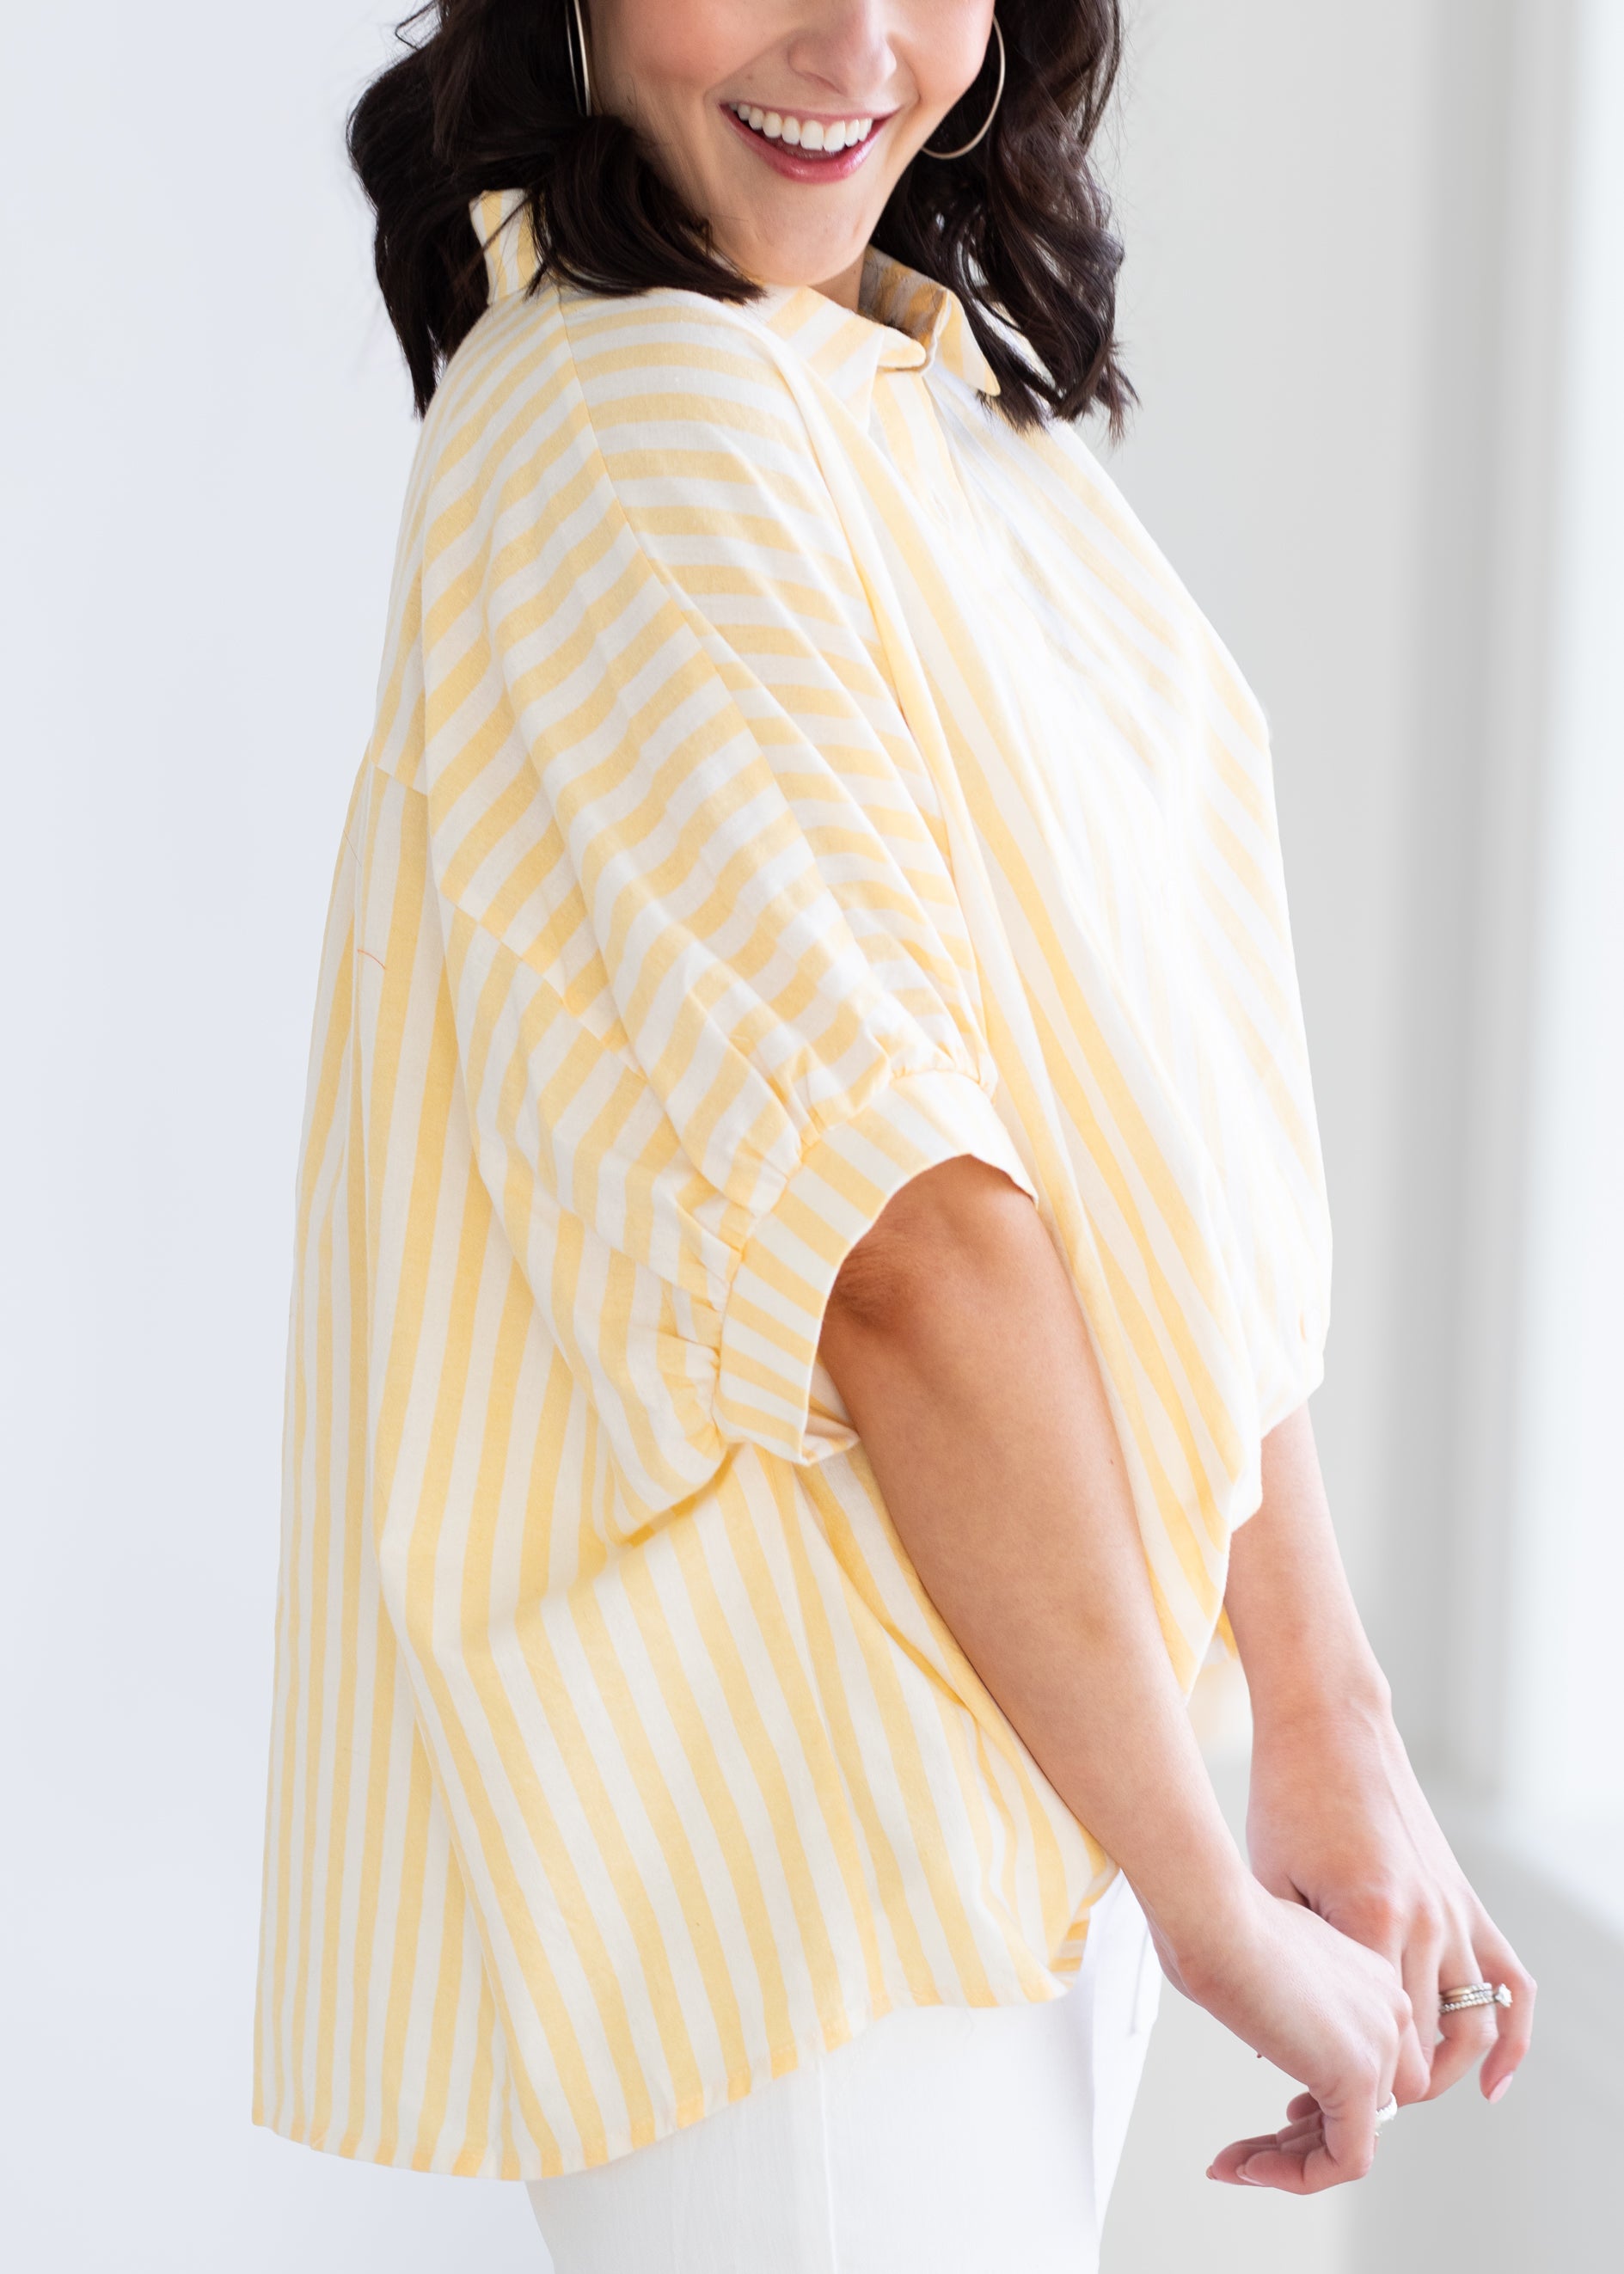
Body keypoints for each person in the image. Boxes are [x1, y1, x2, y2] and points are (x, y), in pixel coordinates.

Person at [253, 3, 1535, 2266]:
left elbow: (1148, 1103)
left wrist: (1320, 1716)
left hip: (994, 1783)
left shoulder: (875, 372)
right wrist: (1206, 1898)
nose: (856, 39)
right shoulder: (641, 431)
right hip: (813, 1837)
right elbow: (905, 1248)